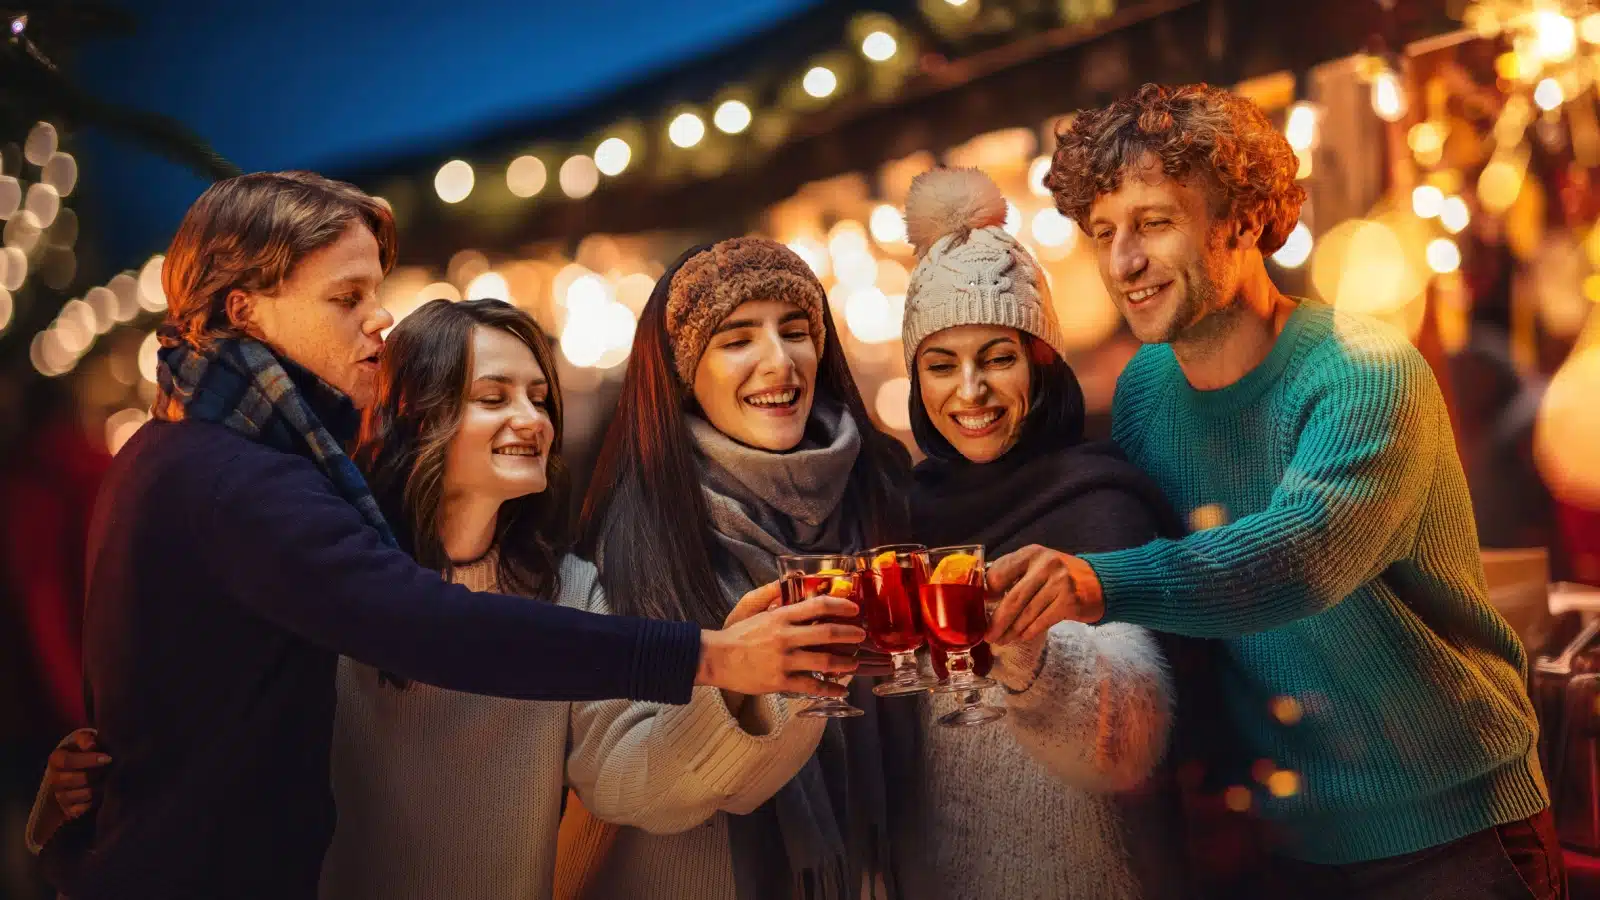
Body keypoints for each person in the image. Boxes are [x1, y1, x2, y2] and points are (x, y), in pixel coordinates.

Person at [29, 172, 858, 900]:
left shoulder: (200, 463)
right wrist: (712, 656)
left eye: (541, 396)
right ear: (245, 310)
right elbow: (431, 627)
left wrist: (86, 800)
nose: (377, 319)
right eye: (346, 298)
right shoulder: (247, 485)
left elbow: (175, 705)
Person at [978, 82, 1562, 898]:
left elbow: (1301, 560)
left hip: (1450, 833)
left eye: (1154, 223)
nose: (1123, 264)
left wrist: (1095, 581)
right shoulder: (1147, 391)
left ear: (1244, 219)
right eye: (1103, 232)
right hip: (1285, 845)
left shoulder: (1363, 370)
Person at [563, 237, 913, 899]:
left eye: (796, 331)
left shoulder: (881, 491)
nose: (779, 363)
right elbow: (615, 777)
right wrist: (742, 685)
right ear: (683, 373)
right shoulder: (634, 536)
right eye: (736, 339)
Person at [888, 167, 1182, 900]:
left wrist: (1031, 651)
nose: (971, 390)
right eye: (941, 365)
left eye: (998, 357)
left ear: (1041, 367)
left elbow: (1135, 739)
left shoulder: (1101, 503)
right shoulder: (904, 521)